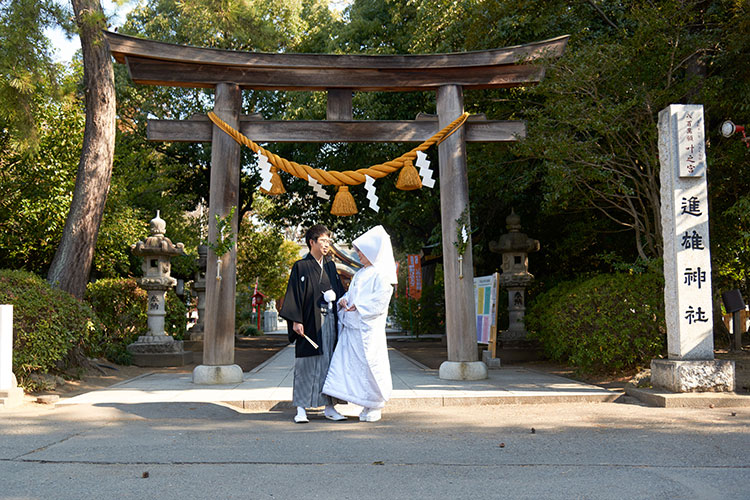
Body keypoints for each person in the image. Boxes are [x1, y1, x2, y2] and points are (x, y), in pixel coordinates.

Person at [323, 225, 396, 422]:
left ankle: (374, 404)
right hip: (353, 327)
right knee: (353, 366)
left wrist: (359, 306)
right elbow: (351, 294)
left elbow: (381, 299)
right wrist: (344, 300)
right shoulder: (361, 273)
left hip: (368, 329)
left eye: (362, 252)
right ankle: (363, 403)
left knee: (371, 365)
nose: (359, 255)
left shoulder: (381, 274)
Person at [279, 224, 347, 423]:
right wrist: (296, 320)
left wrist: (342, 300)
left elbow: (339, 292)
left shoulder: (331, 266)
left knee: (330, 363)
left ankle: (329, 406)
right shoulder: (301, 266)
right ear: (312, 242)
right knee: (306, 364)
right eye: (323, 241)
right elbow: (294, 295)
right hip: (309, 322)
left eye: (328, 241)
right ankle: (301, 407)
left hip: (330, 320)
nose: (327, 245)